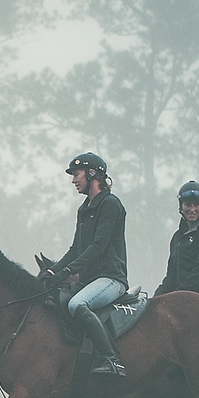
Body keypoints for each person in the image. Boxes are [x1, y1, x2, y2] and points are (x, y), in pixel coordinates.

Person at [44, 151, 130, 376]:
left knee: (76, 304)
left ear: (92, 174)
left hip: (112, 278)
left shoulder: (110, 204)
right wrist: (52, 271)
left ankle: (112, 360)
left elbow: (98, 247)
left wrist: (68, 271)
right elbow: (76, 249)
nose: (73, 180)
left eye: (77, 174)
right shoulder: (84, 208)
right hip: (92, 280)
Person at [158, 180, 199, 300]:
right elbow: (171, 276)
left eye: (196, 204)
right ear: (181, 206)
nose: (192, 209)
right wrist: (155, 298)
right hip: (184, 295)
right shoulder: (177, 237)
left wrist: (178, 293)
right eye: (188, 204)